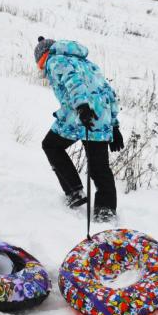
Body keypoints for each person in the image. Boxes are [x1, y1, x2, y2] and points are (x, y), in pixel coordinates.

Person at [34, 36, 123, 222]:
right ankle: (105, 210)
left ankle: (74, 191)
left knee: (51, 145)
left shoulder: (55, 60)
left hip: (78, 115)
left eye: (40, 65)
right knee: (100, 167)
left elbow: (72, 80)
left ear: (42, 57)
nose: (42, 70)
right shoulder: (87, 63)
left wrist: (82, 106)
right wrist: (114, 125)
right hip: (100, 118)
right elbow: (108, 91)